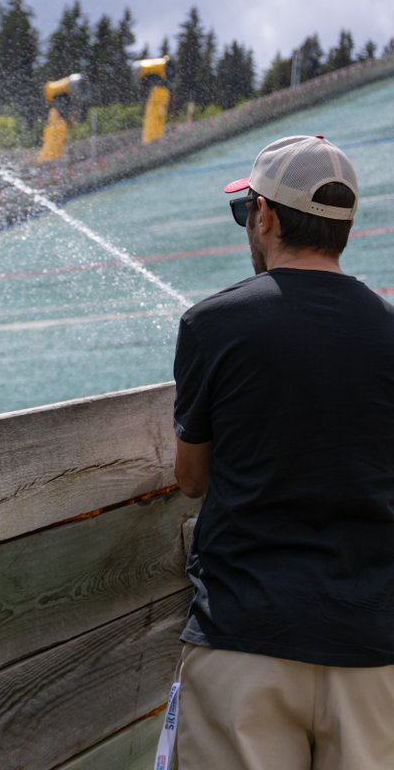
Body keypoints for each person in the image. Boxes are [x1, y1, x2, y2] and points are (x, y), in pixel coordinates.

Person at [171, 134, 394, 770]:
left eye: (246, 212)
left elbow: (191, 478)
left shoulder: (212, 324)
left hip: (245, 638)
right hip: (372, 647)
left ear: (264, 214)